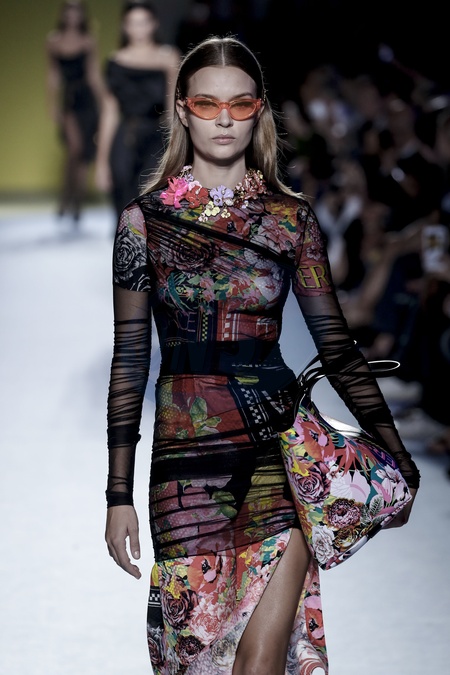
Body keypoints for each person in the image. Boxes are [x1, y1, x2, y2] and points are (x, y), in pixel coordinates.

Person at [104, 36, 420, 675]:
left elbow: (336, 345)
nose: (223, 119)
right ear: (183, 110)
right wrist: (117, 493)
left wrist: (397, 456)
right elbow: (131, 359)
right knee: (198, 662)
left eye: (240, 104)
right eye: (207, 103)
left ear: (259, 111)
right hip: (185, 467)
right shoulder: (144, 223)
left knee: (259, 665)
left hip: (277, 453)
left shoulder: (289, 219)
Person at [95, 1, 180, 221]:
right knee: (123, 204)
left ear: (154, 24)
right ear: (124, 27)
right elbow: (109, 113)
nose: (139, 29)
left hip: (156, 138)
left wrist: (177, 150)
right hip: (124, 137)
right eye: (133, 23)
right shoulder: (115, 62)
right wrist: (101, 162)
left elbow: (173, 110)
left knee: (151, 204)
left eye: (143, 22)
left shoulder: (168, 57)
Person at [46, 0, 103, 224]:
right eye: (69, 10)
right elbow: (53, 75)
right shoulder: (53, 40)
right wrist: (52, 105)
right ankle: (66, 197)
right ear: (63, 13)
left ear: (82, 14)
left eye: (77, 10)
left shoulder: (88, 40)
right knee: (74, 149)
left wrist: (103, 102)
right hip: (69, 100)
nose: (73, 15)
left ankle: (76, 203)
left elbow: (93, 74)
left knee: (84, 154)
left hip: (87, 100)